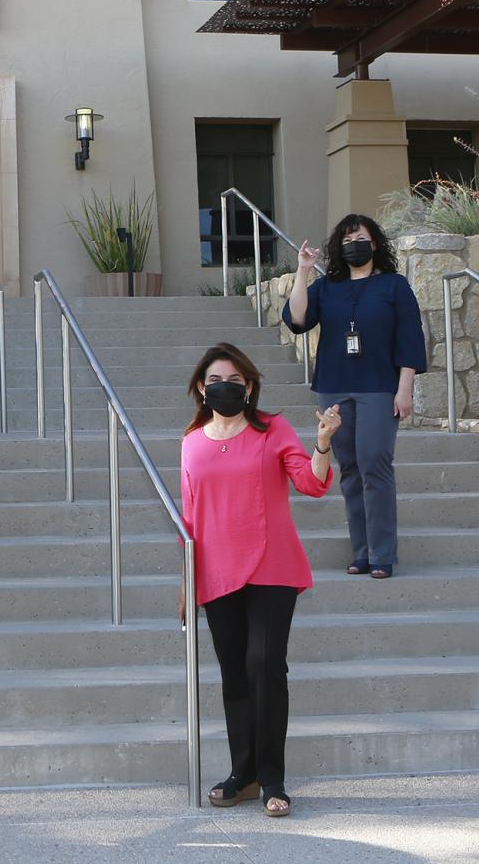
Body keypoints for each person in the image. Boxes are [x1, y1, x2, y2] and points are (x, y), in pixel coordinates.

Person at [179, 342, 341, 818]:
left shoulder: (273, 430)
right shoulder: (191, 442)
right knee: (234, 675)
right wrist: (187, 587)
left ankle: (274, 779)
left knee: (265, 666)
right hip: (217, 572)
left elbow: (311, 484)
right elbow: (189, 521)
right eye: (213, 382)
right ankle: (242, 774)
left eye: (232, 380)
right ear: (201, 389)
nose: (222, 388)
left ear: (248, 386)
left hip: (272, 567)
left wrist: (324, 442)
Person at [283, 214, 427, 580]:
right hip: (335, 386)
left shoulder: (394, 286)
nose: (354, 245)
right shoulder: (326, 287)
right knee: (348, 468)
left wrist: (405, 387)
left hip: (379, 386)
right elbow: (297, 319)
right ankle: (361, 551)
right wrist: (303, 271)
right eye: (347, 240)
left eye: (360, 238)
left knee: (375, 463)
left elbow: (409, 337)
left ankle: (382, 552)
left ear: (374, 244)